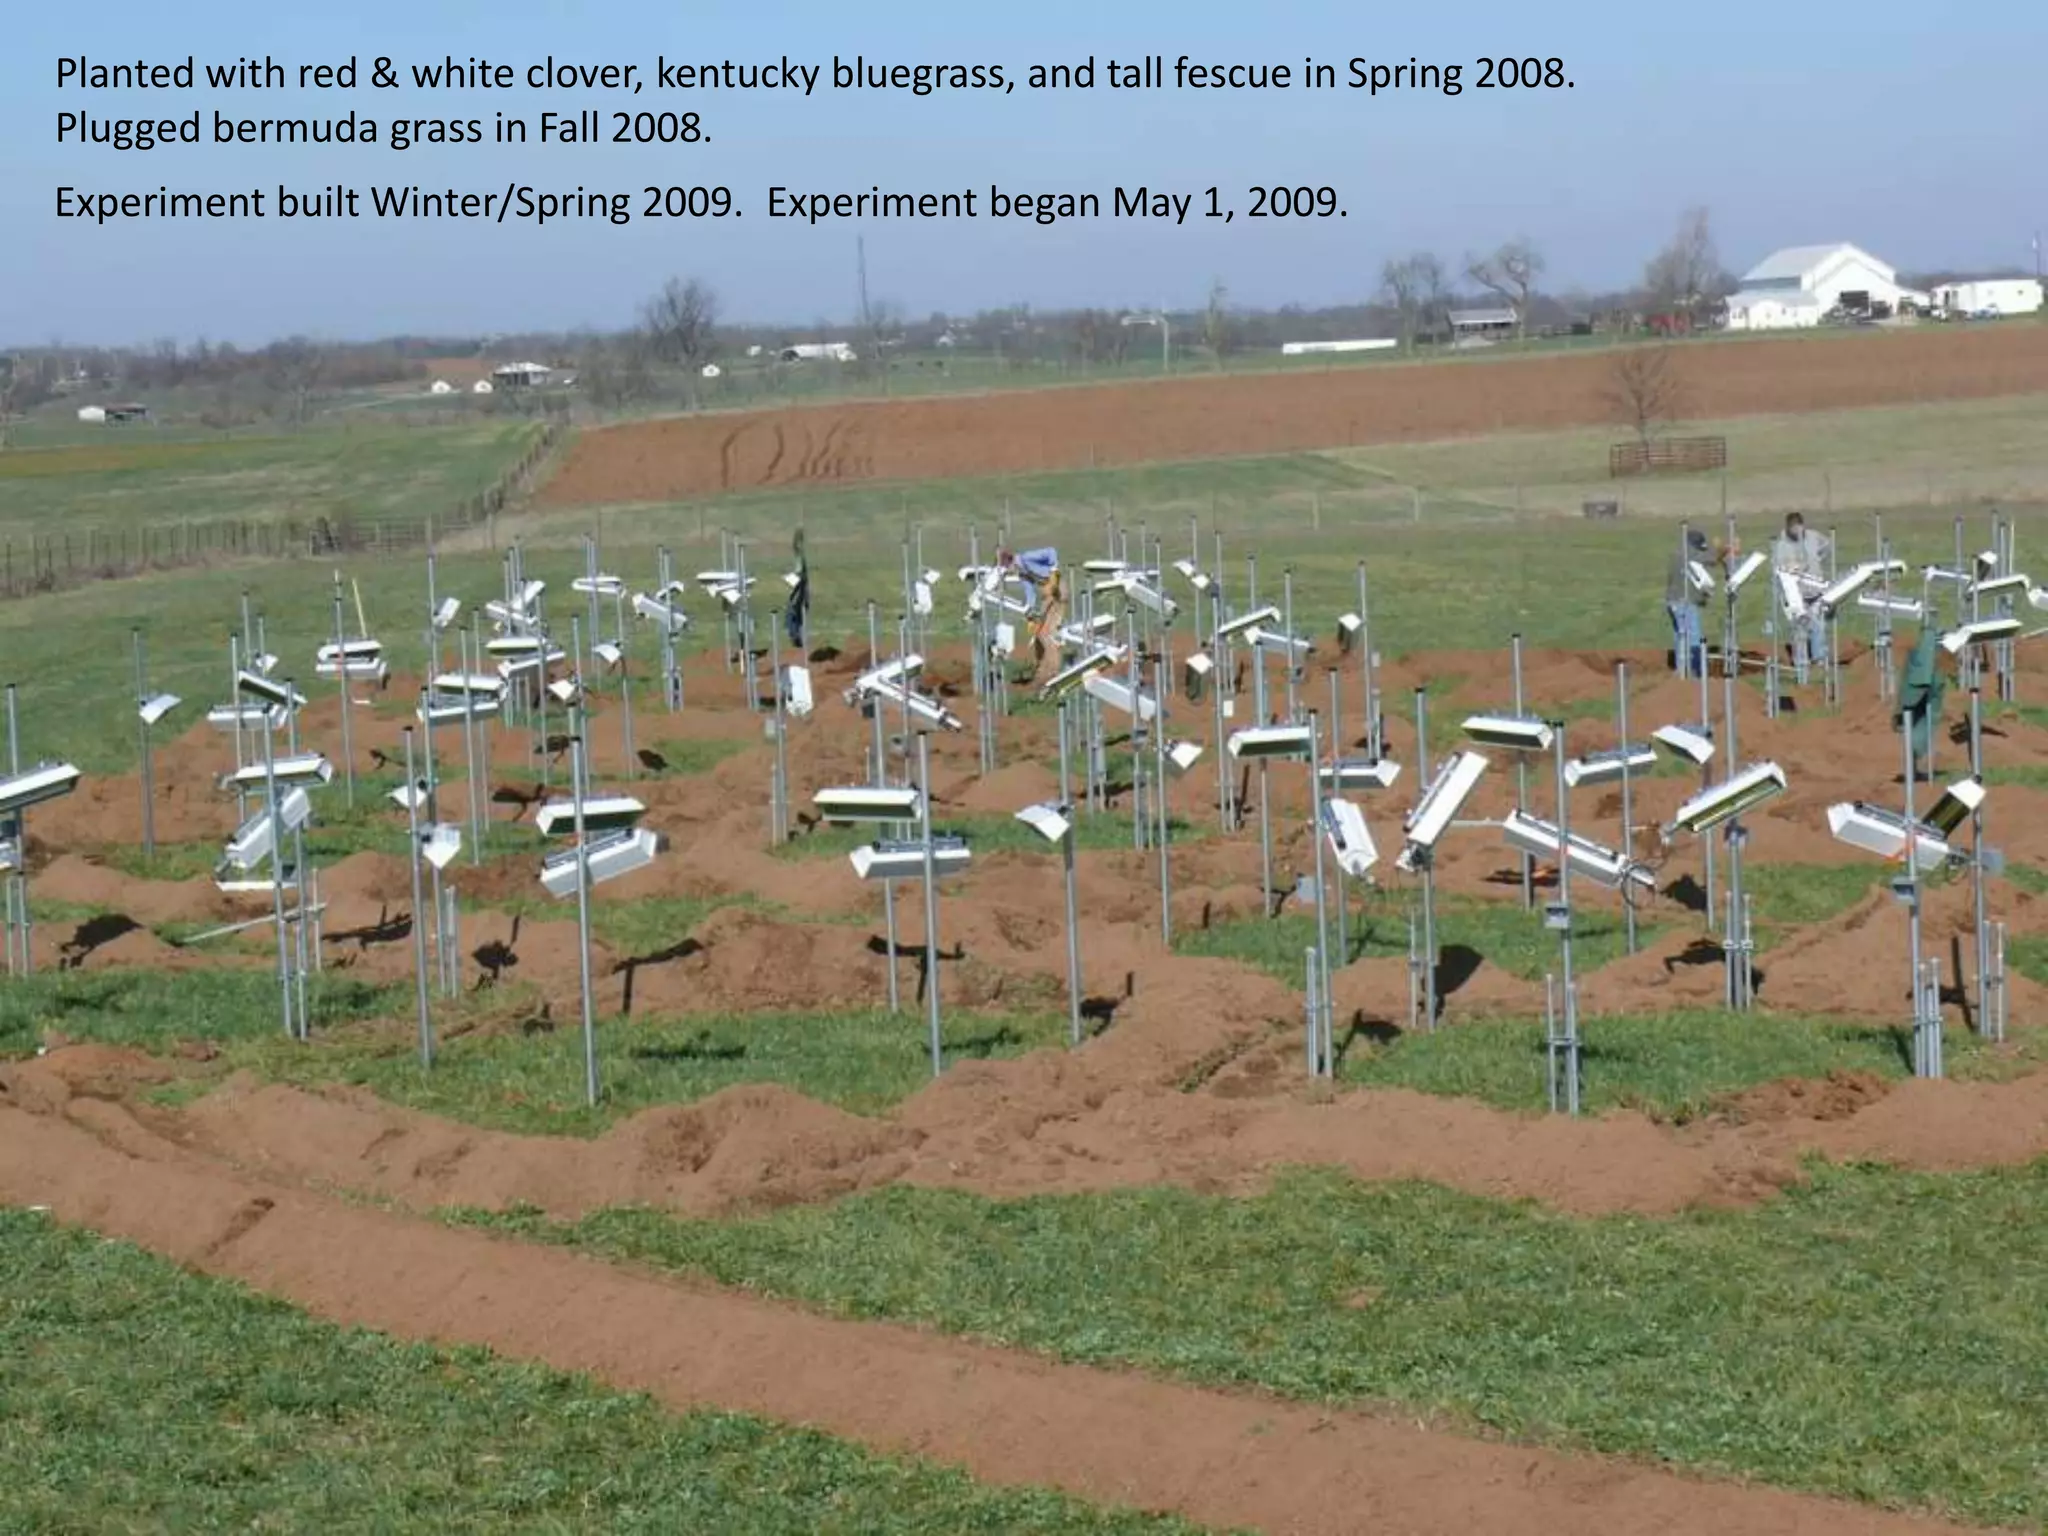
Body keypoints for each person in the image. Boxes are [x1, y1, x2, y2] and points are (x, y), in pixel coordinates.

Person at [1773, 512, 1831, 669]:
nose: (1797, 532)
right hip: (1796, 594)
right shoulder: (1781, 546)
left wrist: (1818, 559)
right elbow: (1778, 569)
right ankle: (1801, 661)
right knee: (1799, 627)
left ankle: (1819, 657)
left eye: (1799, 528)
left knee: (1819, 625)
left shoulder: (1813, 537)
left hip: (1816, 590)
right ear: (1788, 528)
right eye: (1793, 529)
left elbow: (1827, 546)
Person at [998, 547, 1063, 679]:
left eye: (1007, 570)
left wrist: (1054, 571)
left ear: (1011, 562)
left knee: (1047, 633)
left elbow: (1051, 551)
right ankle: (1041, 667)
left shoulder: (1027, 557)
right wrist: (1029, 612)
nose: (1009, 573)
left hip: (1058, 589)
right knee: (1039, 633)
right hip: (1047, 593)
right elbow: (1030, 593)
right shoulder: (1022, 573)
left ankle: (1053, 671)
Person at [1898, 623, 1950, 781]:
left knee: (1918, 727)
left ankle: (1914, 768)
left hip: (1919, 696)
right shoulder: (1919, 654)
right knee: (1916, 729)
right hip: (1915, 698)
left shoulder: (1920, 653)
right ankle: (1912, 768)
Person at [1666, 529, 1712, 677]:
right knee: (1693, 637)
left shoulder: (1676, 556)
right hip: (1684, 603)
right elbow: (1694, 584)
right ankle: (1695, 670)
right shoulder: (1691, 558)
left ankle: (1681, 669)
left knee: (1680, 635)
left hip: (1672, 602)